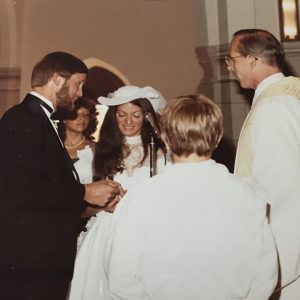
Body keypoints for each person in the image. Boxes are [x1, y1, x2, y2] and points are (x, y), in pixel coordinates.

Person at [107, 94, 278, 300]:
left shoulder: (139, 198)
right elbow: (265, 276)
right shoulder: (249, 196)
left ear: (166, 138)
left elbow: (120, 278)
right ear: (218, 136)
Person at [0, 51, 123, 300]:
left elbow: (45, 183)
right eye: (78, 85)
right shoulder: (22, 119)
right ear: (57, 79)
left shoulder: (40, 119)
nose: (79, 93)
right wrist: (85, 192)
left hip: (42, 258)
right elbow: (24, 190)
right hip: (30, 260)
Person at [68, 85, 168, 300]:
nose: (128, 121)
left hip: (145, 232)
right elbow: (81, 207)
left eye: (136, 115)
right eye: (122, 115)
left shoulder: (160, 154)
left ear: (146, 117)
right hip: (107, 233)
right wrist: (102, 205)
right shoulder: (97, 153)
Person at [226, 29, 300, 300]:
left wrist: (275, 271)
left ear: (252, 60)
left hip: (287, 257)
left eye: (231, 58)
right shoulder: (282, 100)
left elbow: (284, 194)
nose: (230, 66)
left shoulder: (274, 109)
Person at [55, 97, 98, 184]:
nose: (82, 118)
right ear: (63, 118)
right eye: (76, 114)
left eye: (86, 114)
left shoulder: (96, 149)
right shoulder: (52, 146)